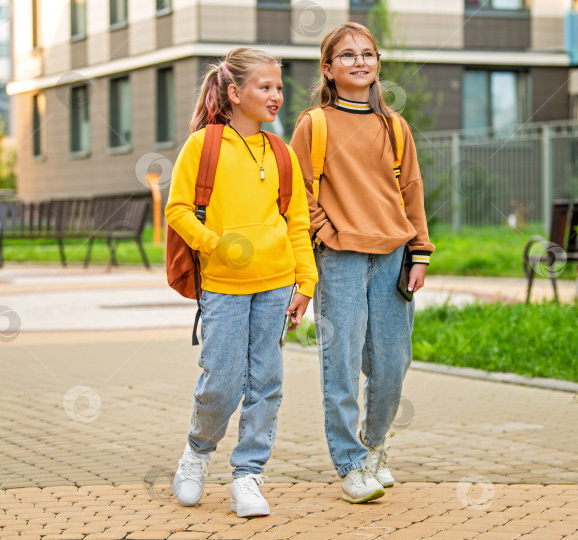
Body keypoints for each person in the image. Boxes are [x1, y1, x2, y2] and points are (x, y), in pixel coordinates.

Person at [165, 47, 317, 518]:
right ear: (235, 93)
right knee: (223, 382)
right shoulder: (203, 146)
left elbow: (295, 223)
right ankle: (197, 451)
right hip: (224, 287)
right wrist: (214, 245)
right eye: (265, 87)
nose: (276, 95)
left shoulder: (281, 152)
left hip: (276, 284)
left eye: (279, 87)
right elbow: (177, 210)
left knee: (266, 382)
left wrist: (305, 281)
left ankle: (248, 475)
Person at [290, 22, 434, 504]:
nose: (360, 62)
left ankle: (374, 447)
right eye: (347, 56)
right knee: (342, 365)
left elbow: (411, 192)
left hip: (394, 255)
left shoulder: (394, 126)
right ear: (328, 69)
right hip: (341, 260)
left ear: (378, 65)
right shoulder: (315, 124)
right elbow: (297, 192)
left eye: (368, 54)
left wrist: (419, 251)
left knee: (392, 364)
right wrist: (326, 234)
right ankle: (350, 463)